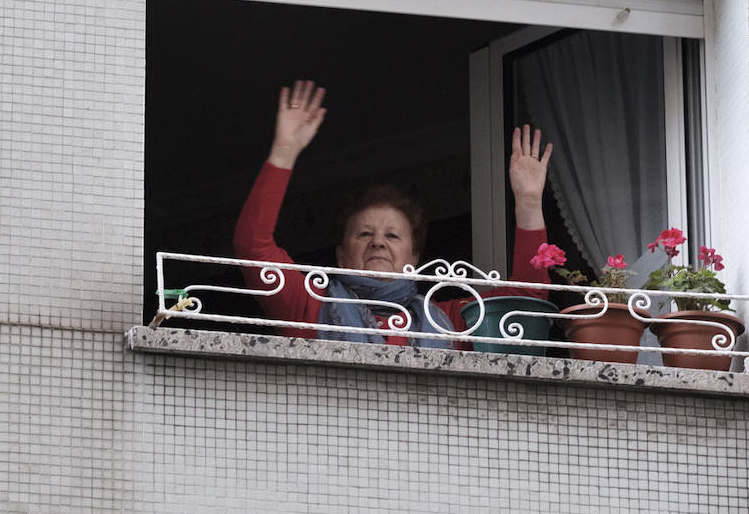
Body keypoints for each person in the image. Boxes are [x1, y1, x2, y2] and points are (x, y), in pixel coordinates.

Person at [233, 79, 555, 348]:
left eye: (392, 235)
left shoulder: (448, 322)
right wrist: (283, 153)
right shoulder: (310, 306)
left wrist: (528, 202)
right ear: (341, 257)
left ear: (413, 258)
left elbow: (525, 301)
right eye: (364, 234)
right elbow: (253, 247)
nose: (378, 243)